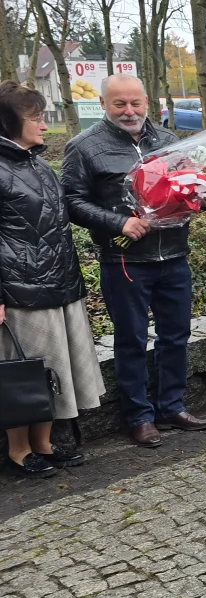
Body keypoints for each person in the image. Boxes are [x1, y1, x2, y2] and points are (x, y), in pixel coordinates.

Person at [61, 74, 206, 449]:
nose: (129, 111)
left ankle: (171, 406)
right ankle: (139, 417)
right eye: (119, 104)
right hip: (124, 260)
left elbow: (186, 185)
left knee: (176, 335)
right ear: (103, 104)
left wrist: (201, 196)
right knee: (130, 341)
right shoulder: (84, 147)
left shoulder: (169, 142)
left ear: (148, 102)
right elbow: (71, 202)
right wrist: (120, 222)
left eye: (135, 103)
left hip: (174, 255)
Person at [0, 81, 100, 478]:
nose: (44, 124)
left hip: (57, 282)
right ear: (9, 122)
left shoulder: (38, 164)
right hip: (20, 288)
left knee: (51, 370)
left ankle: (43, 443)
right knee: (23, 372)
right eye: (36, 117)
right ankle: (18, 450)